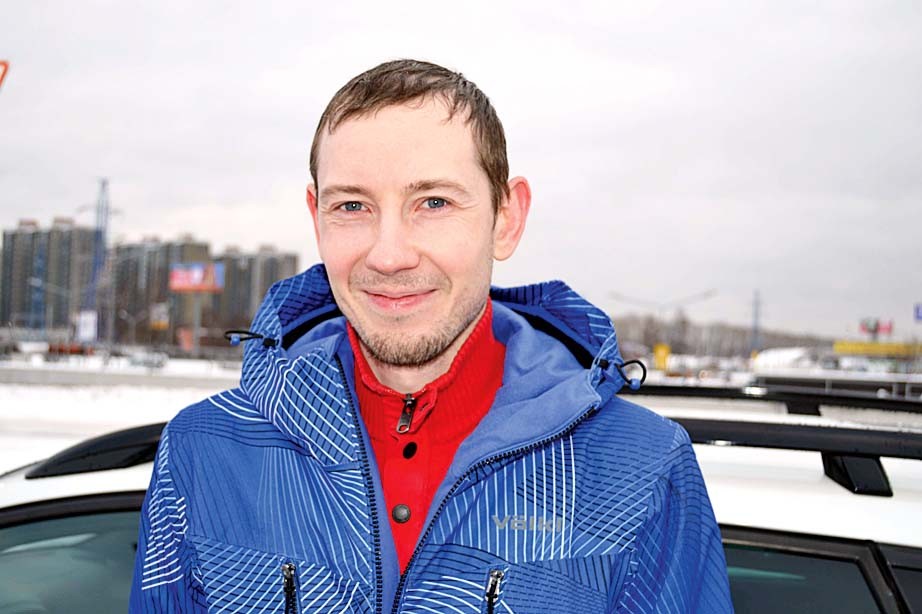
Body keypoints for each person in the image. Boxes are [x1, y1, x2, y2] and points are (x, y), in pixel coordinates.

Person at [130, 59, 733, 613]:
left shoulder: (641, 469)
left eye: (434, 202)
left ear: (506, 218)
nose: (389, 254)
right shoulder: (204, 451)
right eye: (352, 207)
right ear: (316, 216)